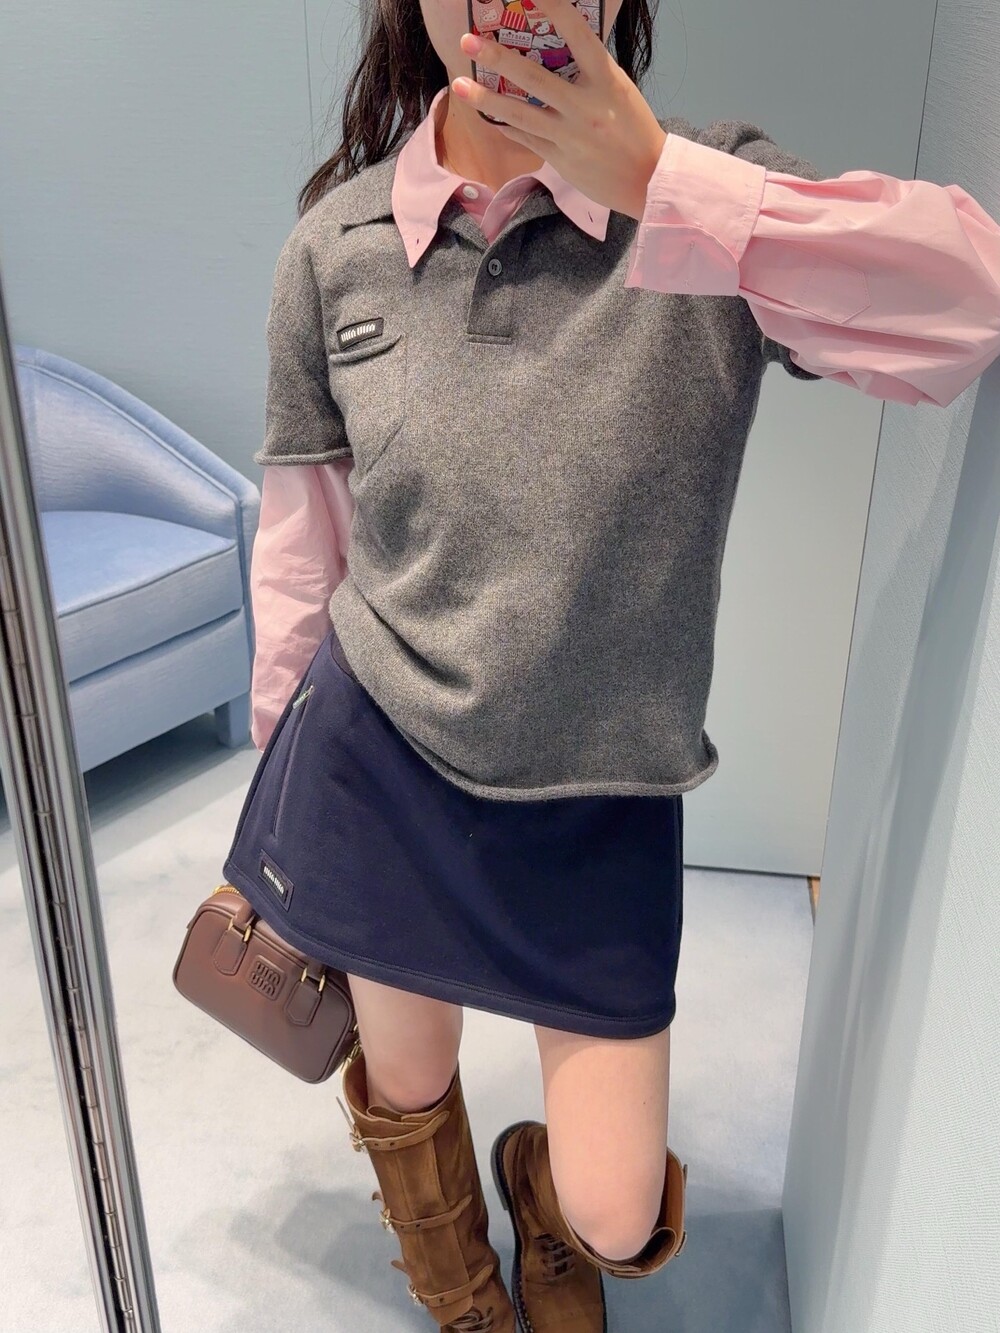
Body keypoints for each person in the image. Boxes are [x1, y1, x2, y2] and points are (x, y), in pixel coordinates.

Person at [221, 0, 1000, 1328]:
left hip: (603, 791)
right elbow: (307, 540)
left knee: (617, 1209)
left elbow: (967, 299)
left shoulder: (705, 195)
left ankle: (539, 1195)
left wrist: (661, 185)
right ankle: (460, 1285)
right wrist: (277, 777)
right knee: (405, 1080)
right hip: (379, 757)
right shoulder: (335, 248)